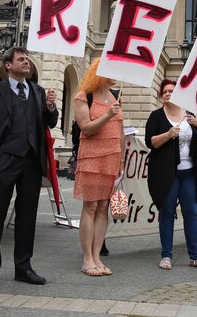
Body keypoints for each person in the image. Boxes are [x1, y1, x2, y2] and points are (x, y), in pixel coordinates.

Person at [0, 47, 58, 290]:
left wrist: (51, 108)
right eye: (21, 59)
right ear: (8, 65)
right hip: (5, 160)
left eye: (28, 59)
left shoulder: (37, 91)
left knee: (27, 217)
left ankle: (23, 267)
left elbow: (49, 122)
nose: (27, 62)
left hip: (31, 162)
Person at [145, 79, 197, 271]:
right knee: (167, 213)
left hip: (189, 173)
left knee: (191, 213)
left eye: (171, 91)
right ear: (161, 96)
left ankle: (196, 257)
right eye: (164, 91)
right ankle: (166, 256)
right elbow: (151, 142)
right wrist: (168, 134)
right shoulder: (156, 116)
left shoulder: (190, 116)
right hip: (167, 174)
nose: (167, 94)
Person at [73, 58, 124, 276]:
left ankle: (96, 255)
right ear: (99, 72)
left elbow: (121, 131)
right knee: (91, 206)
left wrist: (121, 159)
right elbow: (86, 128)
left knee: (104, 207)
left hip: (111, 158)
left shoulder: (116, 96)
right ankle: (87, 259)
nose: (116, 74)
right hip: (92, 157)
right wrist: (107, 114)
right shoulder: (84, 95)